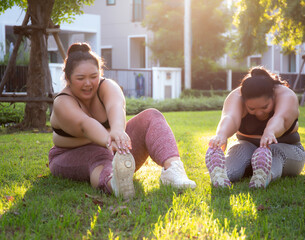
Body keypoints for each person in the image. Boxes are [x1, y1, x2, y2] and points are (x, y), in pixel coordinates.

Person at [48, 42, 196, 199]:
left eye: (93, 76)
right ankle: (115, 183)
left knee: (151, 115)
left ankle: (173, 170)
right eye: (80, 78)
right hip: (70, 155)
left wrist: (117, 130)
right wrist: (109, 139)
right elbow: (85, 125)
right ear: (68, 79)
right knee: (100, 154)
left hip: (115, 150)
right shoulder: (62, 102)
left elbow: (116, 107)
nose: (88, 83)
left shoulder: (107, 86)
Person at [205, 66, 305, 188]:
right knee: (238, 150)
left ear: (273, 96)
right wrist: (222, 134)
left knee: (274, 151)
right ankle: (222, 175)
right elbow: (230, 117)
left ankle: (265, 175)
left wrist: (270, 132)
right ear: (244, 101)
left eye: (265, 107)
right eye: (252, 109)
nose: (259, 113)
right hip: (249, 149)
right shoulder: (236, 97)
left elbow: (281, 119)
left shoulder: (286, 95)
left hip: (288, 151)